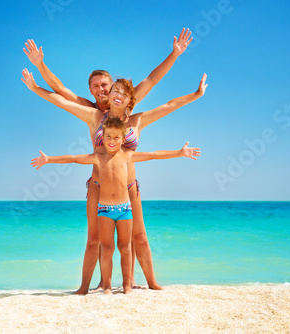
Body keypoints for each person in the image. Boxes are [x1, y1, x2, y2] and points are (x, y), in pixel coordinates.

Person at [23, 29, 200, 294]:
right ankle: (89, 287)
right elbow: (60, 93)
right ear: (91, 91)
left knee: (138, 237)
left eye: (105, 85)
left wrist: (175, 54)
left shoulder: (131, 111)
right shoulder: (92, 113)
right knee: (95, 240)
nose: (102, 90)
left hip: (130, 187)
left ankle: (150, 283)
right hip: (98, 184)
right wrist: (39, 69)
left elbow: (153, 81)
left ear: (116, 88)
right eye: (96, 86)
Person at [31, 117, 201, 294]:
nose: (112, 141)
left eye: (116, 138)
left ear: (123, 138)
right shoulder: (97, 157)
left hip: (125, 209)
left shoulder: (128, 156)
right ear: (102, 137)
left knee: (125, 247)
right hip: (104, 209)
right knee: (106, 249)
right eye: (108, 137)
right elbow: (74, 158)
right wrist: (49, 159)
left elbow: (154, 155)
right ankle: (107, 286)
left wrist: (180, 153)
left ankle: (127, 285)